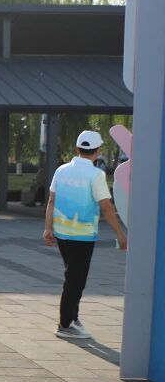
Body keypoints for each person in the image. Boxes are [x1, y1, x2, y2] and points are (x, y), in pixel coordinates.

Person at [43, 130, 128, 340]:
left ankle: (73, 318)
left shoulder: (61, 170)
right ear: (98, 151)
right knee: (75, 281)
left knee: (73, 277)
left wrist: (48, 228)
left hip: (62, 233)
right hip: (83, 236)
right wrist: (120, 233)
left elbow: (52, 200)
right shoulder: (95, 175)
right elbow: (106, 206)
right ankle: (65, 325)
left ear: (77, 148)